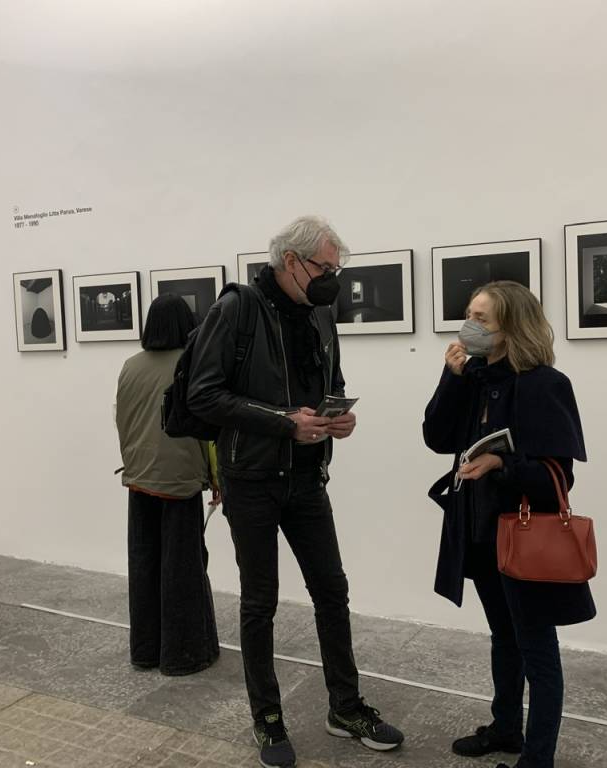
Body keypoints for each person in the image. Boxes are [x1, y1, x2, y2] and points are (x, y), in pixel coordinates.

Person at [188, 216, 404, 768]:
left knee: (332, 591)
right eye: (325, 268)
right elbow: (204, 396)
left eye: (336, 270)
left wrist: (336, 416)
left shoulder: (321, 314)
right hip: (251, 481)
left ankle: (345, 707)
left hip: (307, 478)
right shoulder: (236, 308)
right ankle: (267, 717)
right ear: (291, 262)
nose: (332, 279)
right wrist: (287, 423)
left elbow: (328, 384)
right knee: (260, 603)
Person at [422, 281, 593, 768]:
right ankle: (505, 728)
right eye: (469, 313)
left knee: (538, 651)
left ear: (511, 328)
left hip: (522, 535)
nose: (470, 326)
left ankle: (537, 760)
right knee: (503, 635)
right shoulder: (473, 376)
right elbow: (436, 437)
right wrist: (450, 378)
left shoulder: (544, 385)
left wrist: (502, 466)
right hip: (478, 531)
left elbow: (559, 475)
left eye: (483, 319)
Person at [115, 294, 221, 675]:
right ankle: (183, 655)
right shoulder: (189, 366)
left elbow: (123, 421)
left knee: (144, 565)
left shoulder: (129, 366)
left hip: (138, 477)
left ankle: (145, 651)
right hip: (179, 480)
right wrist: (216, 478)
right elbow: (207, 432)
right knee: (183, 567)